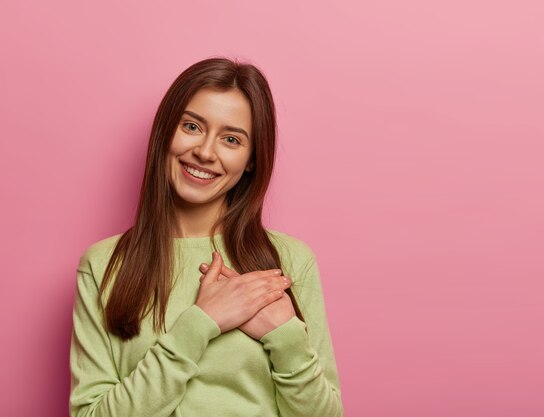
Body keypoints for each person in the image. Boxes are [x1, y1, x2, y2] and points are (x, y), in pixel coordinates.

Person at [69, 57, 344, 417]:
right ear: (165, 131)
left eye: (231, 139)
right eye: (192, 126)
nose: (205, 152)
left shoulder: (289, 261)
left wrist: (287, 338)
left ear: (251, 159)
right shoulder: (104, 264)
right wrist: (199, 323)